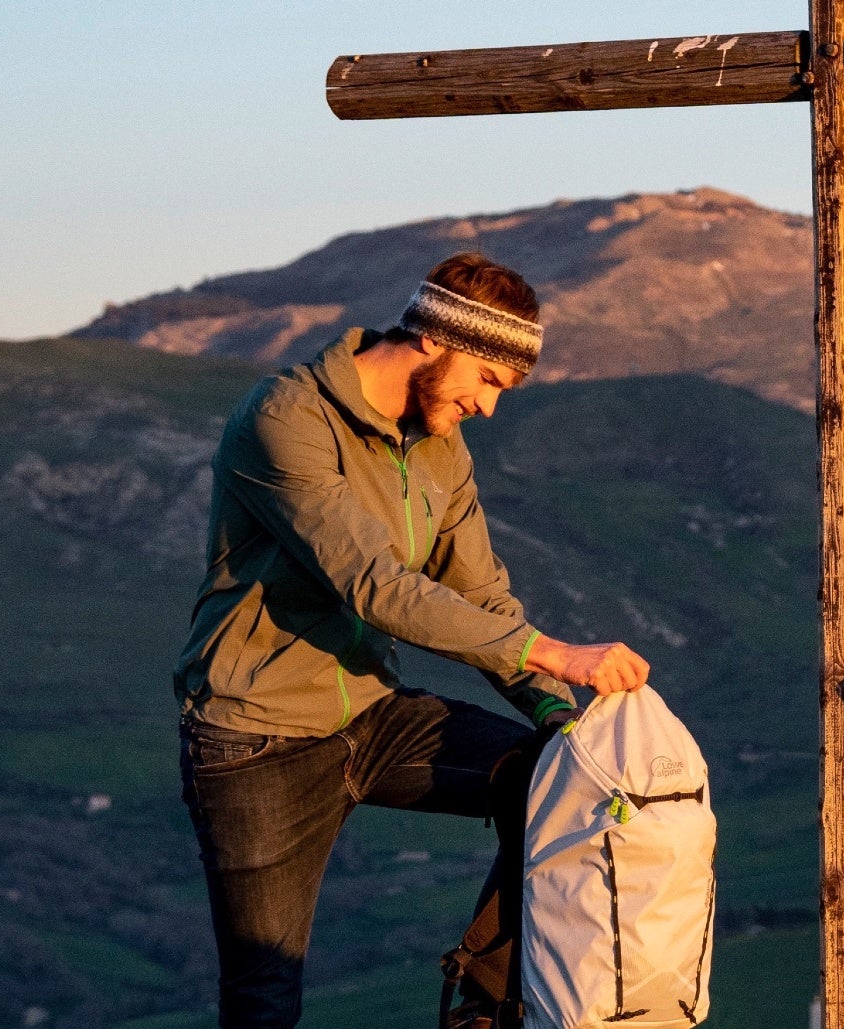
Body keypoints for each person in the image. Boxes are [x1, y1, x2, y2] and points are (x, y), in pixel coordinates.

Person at [171, 252, 650, 1028]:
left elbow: (481, 595)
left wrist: (564, 720)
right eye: (487, 379)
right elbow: (373, 584)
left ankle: (483, 1009)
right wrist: (556, 653)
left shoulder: (438, 446)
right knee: (264, 996)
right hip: (257, 738)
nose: (488, 407)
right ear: (435, 337)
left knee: (556, 779)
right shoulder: (286, 418)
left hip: (369, 714)